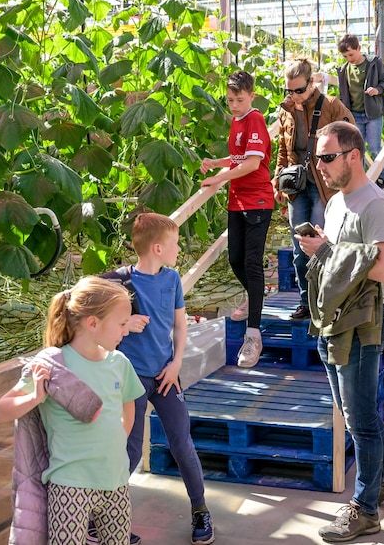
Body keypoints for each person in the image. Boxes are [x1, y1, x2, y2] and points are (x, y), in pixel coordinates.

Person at [298, 121, 384, 542]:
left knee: (360, 420)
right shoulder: (336, 202)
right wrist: (321, 249)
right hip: (333, 320)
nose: (320, 166)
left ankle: (365, 509)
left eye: (327, 157)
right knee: (354, 411)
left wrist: (328, 250)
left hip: (361, 326)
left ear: (353, 155)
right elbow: (343, 259)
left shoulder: (375, 205)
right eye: (317, 158)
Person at [0, 277, 144, 545]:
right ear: (93, 323)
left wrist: (115, 442)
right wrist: (35, 396)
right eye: (122, 324)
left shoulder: (119, 363)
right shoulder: (52, 365)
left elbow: (128, 405)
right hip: (69, 485)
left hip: (116, 481)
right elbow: (3, 410)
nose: (126, 331)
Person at [111, 213, 216, 545]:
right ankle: (107, 518)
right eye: (174, 242)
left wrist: (176, 364)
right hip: (132, 378)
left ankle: (200, 510)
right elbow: (81, 314)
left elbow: (180, 325)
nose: (179, 247)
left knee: (182, 443)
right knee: (128, 450)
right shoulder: (117, 283)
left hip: (167, 375)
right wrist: (126, 324)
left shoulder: (171, 279)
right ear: (157, 247)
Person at [201, 71, 274, 368]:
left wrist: (218, 179)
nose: (233, 105)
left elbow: (254, 163)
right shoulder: (237, 120)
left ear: (252, 96)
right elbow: (240, 157)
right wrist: (217, 164)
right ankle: (257, 292)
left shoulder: (255, 119)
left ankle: (253, 336)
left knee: (252, 262)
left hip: (257, 198)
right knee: (235, 260)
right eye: (230, 100)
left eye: (239, 100)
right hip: (238, 199)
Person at [275, 57, 354, 320]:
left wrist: (346, 178)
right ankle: (306, 302)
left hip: (326, 186)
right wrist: (278, 180)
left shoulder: (331, 106)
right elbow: (283, 150)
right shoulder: (286, 110)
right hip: (297, 187)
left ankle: (327, 300)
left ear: (312, 83)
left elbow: (352, 139)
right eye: (289, 90)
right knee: (300, 248)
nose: (294, 95)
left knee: (321, 244)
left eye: (299, 90)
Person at [336, 34, 384, 187]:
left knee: (374, 147)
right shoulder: (344, 70)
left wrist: (377, 89)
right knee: (356, 149)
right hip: (355, 115)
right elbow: (343, 94)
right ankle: (359, 180)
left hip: (373, 114)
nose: (349, 58)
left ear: (359, 48)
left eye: (351, 54)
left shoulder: (373, 63)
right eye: (345, 56)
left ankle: (383, 178)